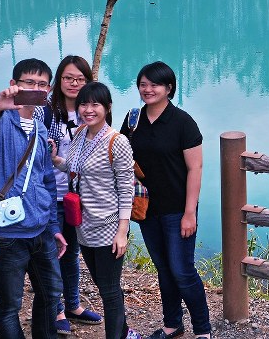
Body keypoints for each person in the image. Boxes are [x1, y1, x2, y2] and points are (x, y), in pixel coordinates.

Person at [121, 61, 211, 339]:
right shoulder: (133, 119)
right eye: (143, 84)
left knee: (182, 270)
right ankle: (173, 325)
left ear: (169, 88)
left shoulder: (183, 122)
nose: (147, 89)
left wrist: (189, 213)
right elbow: (122, 158)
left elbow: (195, 169)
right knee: (163, 269)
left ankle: (203, 330)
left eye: (154, 84)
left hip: (177, 209)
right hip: (147, 209)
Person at [0, 58, 67, 339]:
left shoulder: (40, 130)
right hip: (7, 233)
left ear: (49, 90)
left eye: (42, 85)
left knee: (50, 295)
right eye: (29, 82)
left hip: (40, 230)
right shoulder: (0, 123)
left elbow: (47, 181)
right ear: (14, 85)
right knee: (9, 305)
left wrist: (54, 227)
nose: (36, 89)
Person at [52, 82, 139, 339]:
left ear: (107, 108)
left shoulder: (117, 141)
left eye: (95, 105)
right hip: (83, 224)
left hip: (108, 225)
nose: (88, 110)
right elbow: (74, 167)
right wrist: (57, 159)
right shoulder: (80, 134)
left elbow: (126, 189)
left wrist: (122, 232)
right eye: (84, 104)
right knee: (104, 285)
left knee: (110, 291)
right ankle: (123, 332)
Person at [47, 55, 102, 335]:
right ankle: (55, 310)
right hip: (50, 195)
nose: (74, 83)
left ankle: (73, 304)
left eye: (80, 79)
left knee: (72, 252)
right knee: (53, 253)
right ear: (59, 80)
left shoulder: (89, 111)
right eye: (68, 78)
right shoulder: (45, 111)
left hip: (78, 196)